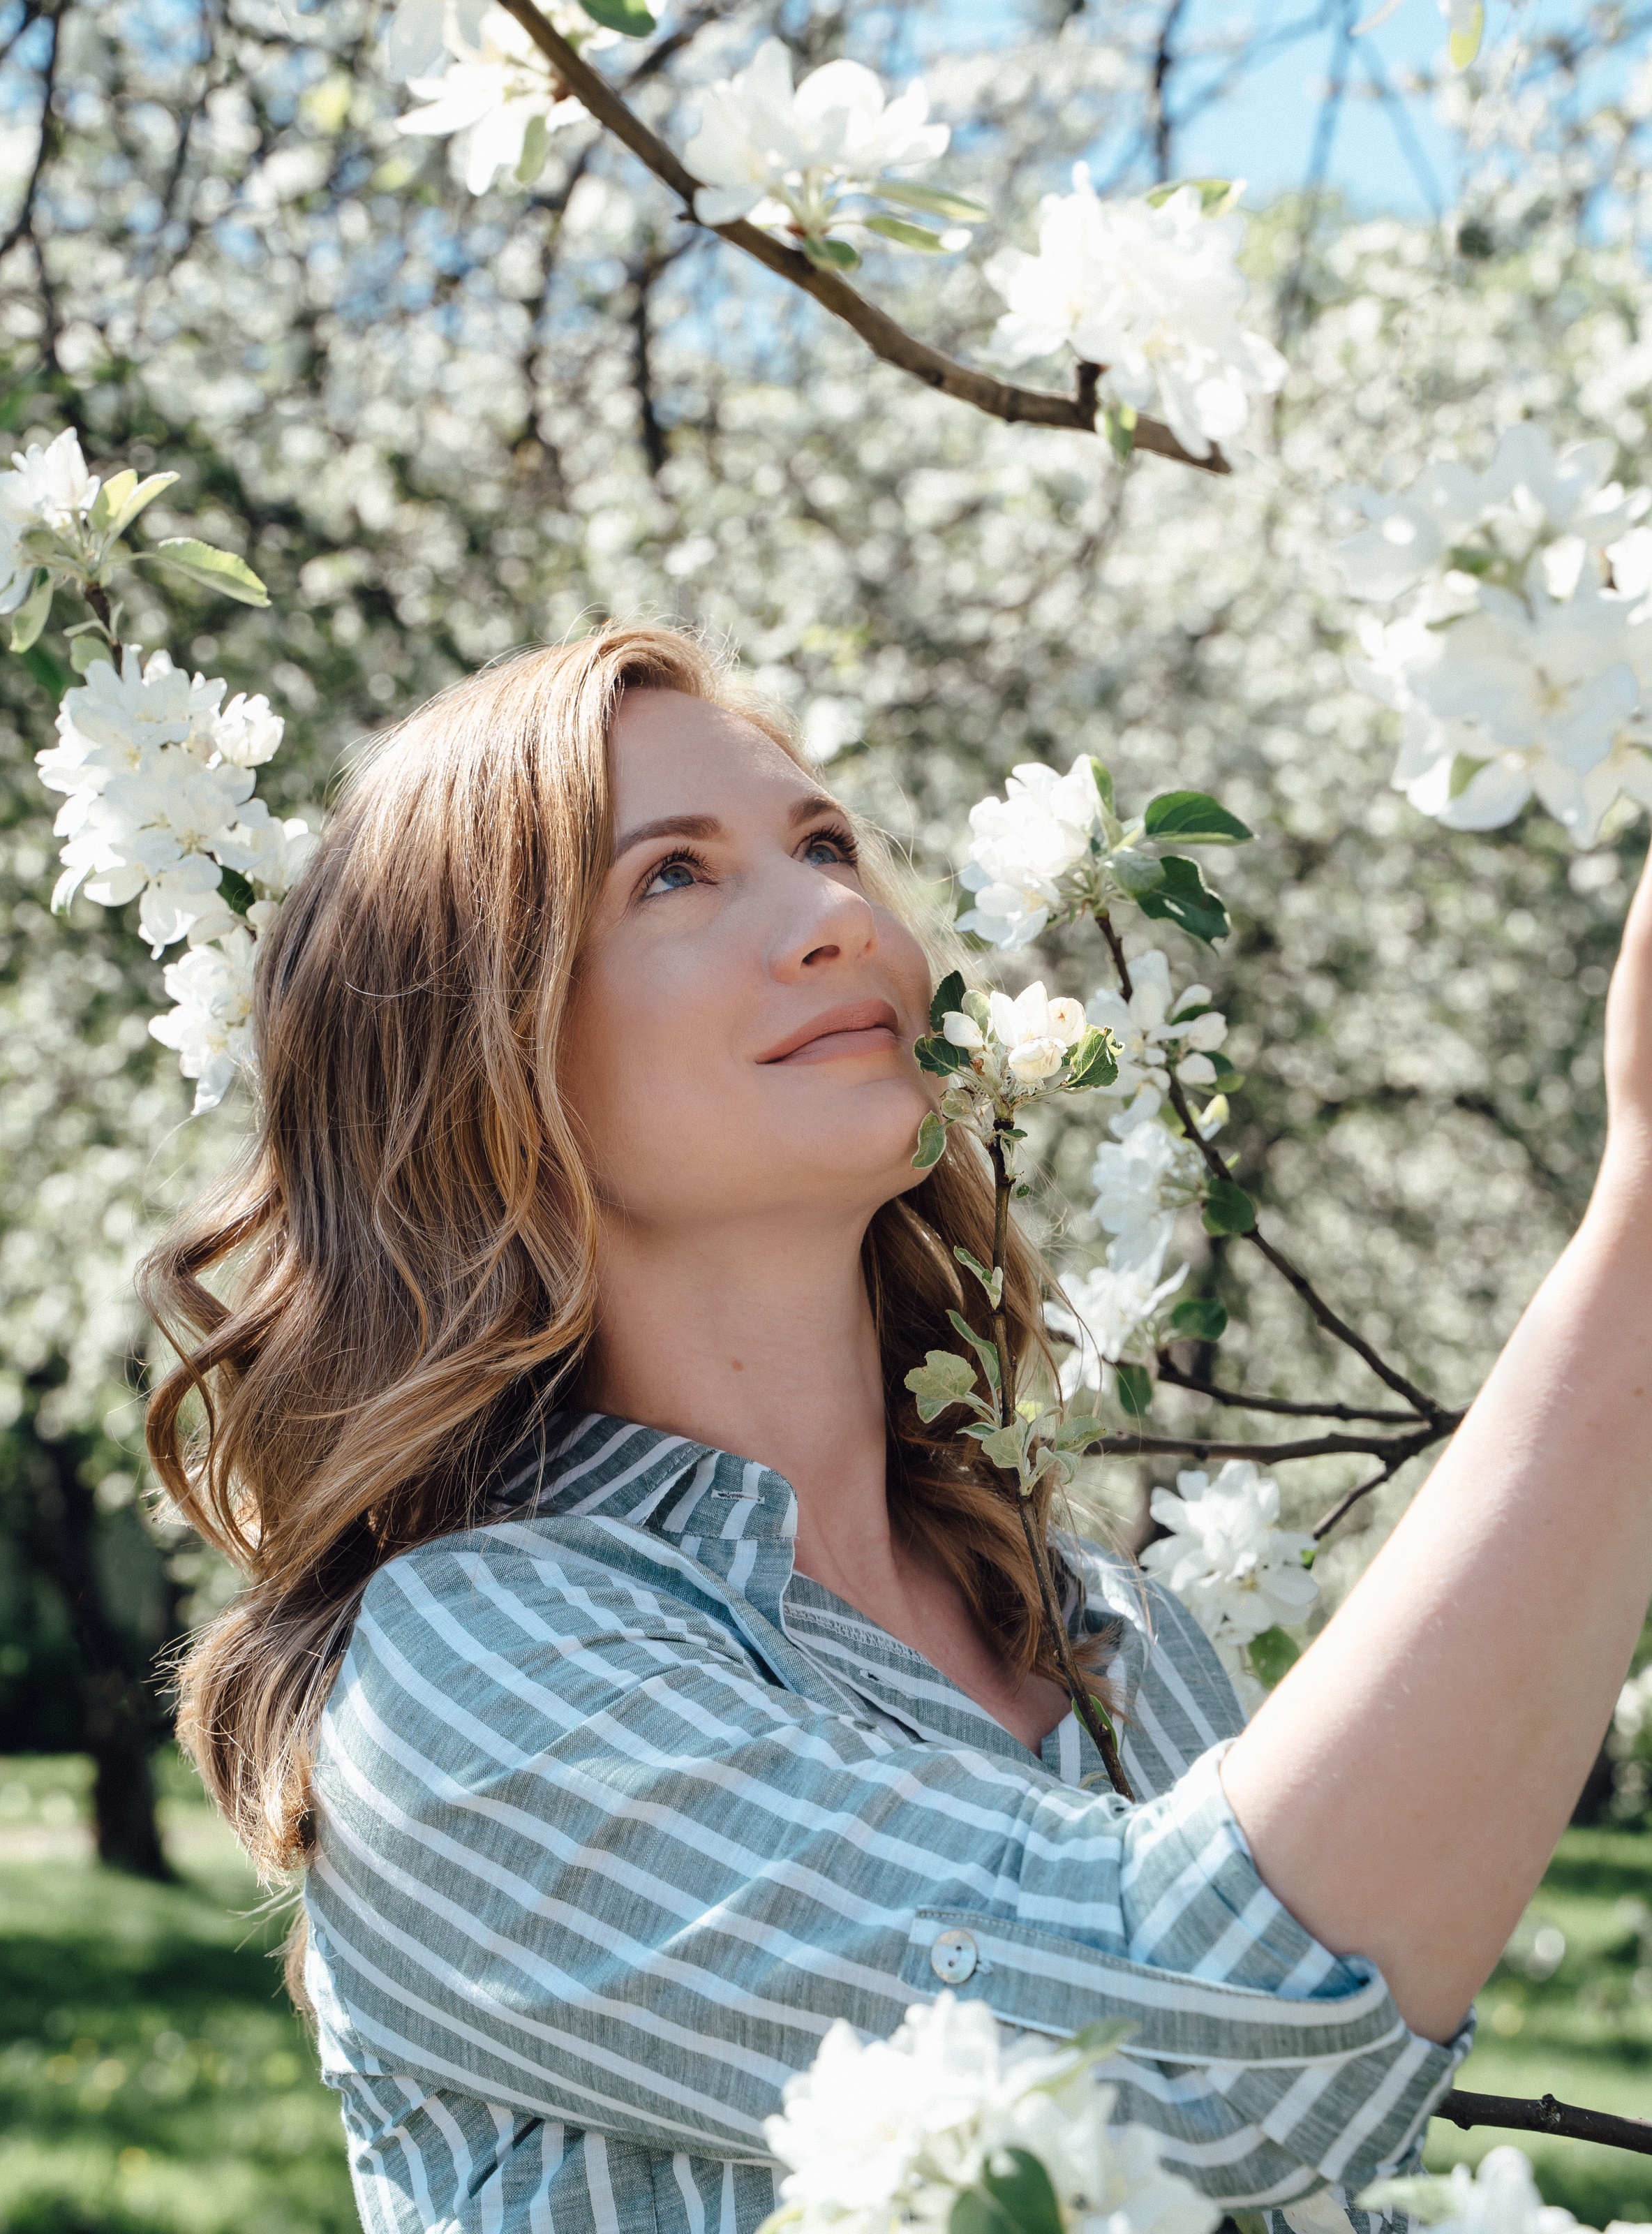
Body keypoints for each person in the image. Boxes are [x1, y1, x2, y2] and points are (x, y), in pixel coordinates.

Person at [143, 623, 1652, 2234]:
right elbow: (1191, 2056)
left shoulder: (1115, 1638)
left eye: (823, 844)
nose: (833, 919)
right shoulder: (467, 1678)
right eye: (672, 877)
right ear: (483, 1063)